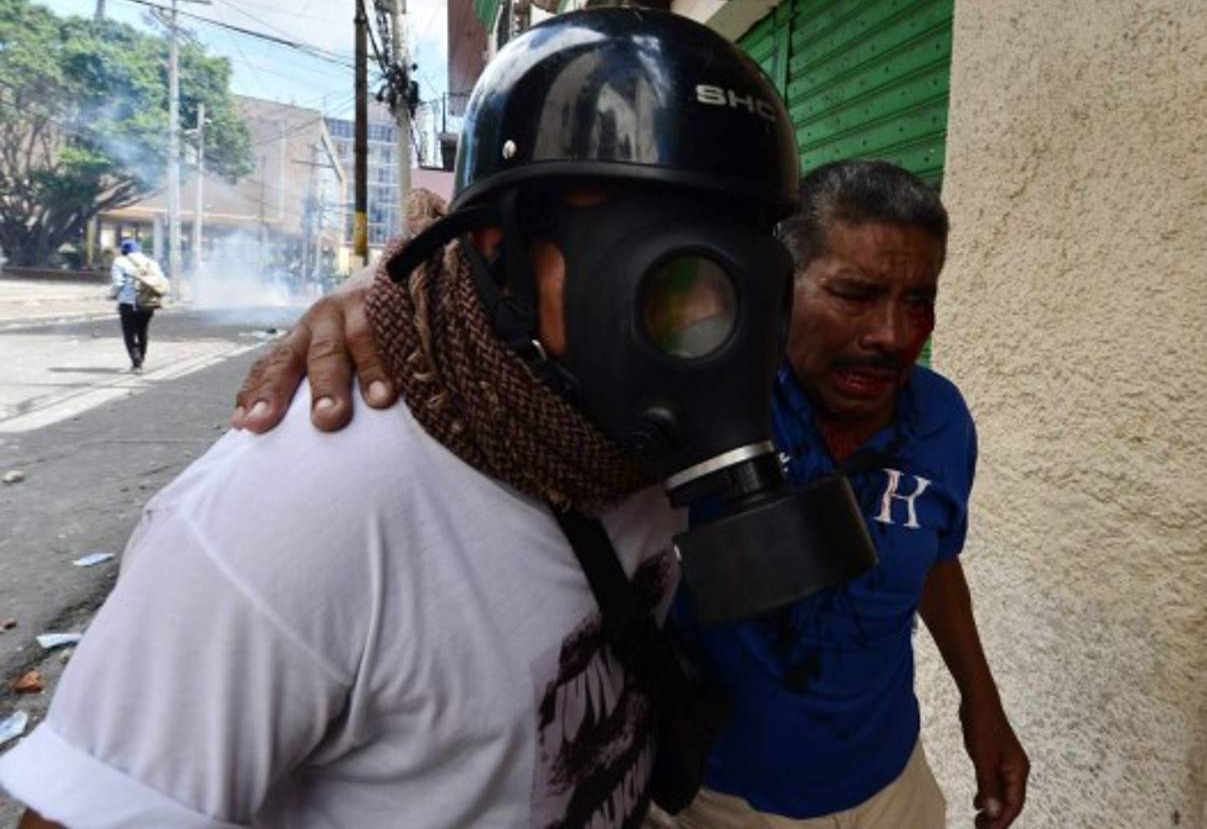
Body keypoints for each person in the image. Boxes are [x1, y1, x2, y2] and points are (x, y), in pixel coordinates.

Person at [0, 8, 805, 828]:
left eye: (749, 276)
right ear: (500, 250)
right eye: (670, 275)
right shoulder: (295, 517)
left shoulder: (634, 447)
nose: (711, 329)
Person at [233, 159, 1030, 828]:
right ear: (776, 286)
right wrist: (379, 289)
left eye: (917, 299)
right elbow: (510, 313)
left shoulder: (941, 420)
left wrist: (981, 705)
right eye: (854, 295)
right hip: (713, 797)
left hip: (892, 784)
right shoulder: (693, 396)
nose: (891, 334)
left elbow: (934, 561)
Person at [108, 239, 166, 373]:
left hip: (127, 303)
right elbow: (162, 281)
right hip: (147, 302)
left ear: (124, 251)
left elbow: (118, 284)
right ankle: (141, 360)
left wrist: (112, 295)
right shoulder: (152, 263)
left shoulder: (120, 261)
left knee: (129, 333)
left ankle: (136, 362)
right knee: (142, 331)